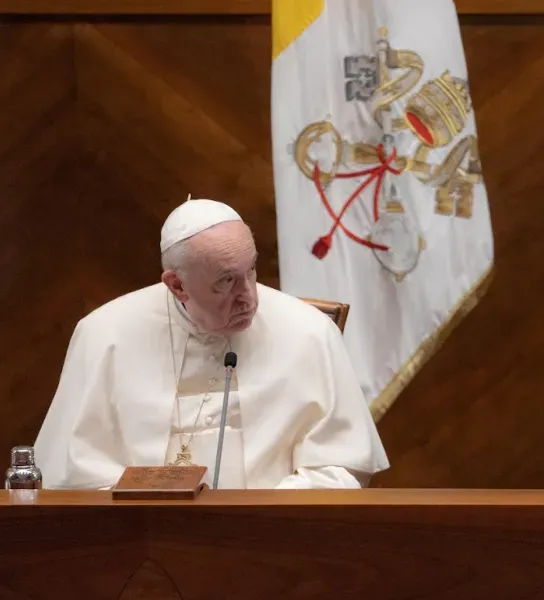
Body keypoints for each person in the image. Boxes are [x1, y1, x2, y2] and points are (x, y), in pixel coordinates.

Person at [34, 197, 389, 490]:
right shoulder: (104, 335)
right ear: (177, 285)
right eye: (226, 281)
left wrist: (259, 518)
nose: (249, 297)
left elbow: (341, 468)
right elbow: (72, 474)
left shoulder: (309, 331)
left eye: (251, 271)